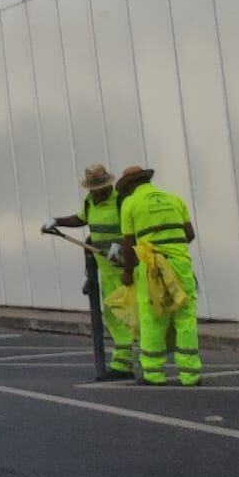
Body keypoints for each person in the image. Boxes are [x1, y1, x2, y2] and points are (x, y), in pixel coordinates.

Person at [111, 166, 200, 387]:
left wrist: (128, 272)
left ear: (130, 185)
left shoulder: (130, 204)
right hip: (181, 264)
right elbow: (189, 234)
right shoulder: (175, 199)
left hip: (151, 265)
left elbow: (129, 243)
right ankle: (190, 374)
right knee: (185, 317)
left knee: (153, 317)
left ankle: (153, 373)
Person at [44, 164, 134, 379]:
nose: (98, 192)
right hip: (105, 270)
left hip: (126, 267)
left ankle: (134, 362)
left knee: (132, 315)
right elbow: (80, 219)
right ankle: (124, 363)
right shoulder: (90, 202)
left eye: (102, 187)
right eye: (94, 189)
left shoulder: (121, 201)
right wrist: (56, 221)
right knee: (114, 316)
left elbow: (133, 228)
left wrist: (121, 245)